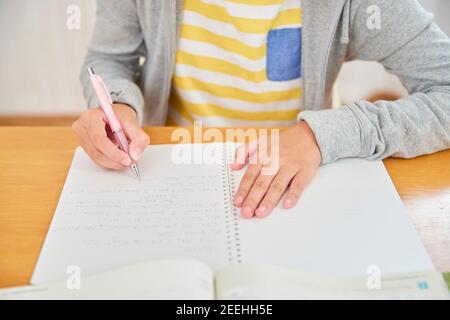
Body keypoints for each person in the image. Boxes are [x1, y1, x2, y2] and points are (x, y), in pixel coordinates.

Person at [73, 0, 450, 219]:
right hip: (172, 170)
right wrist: (118, 104)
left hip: (304, 185)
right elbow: (108, 59)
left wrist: (321, 135)